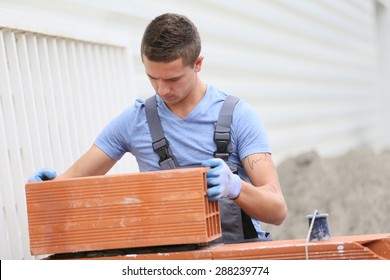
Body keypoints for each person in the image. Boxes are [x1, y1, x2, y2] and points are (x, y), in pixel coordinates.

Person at [29, 13, 287, 243]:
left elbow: (277, 210)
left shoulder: (238, 116)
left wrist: (236, 188)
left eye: (173, 79)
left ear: (197, 64)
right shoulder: (134, 120)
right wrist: (46, 189)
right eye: (153, 78)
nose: (162, 90)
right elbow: (73, 179)